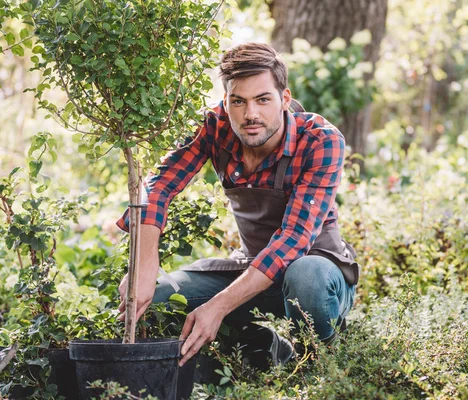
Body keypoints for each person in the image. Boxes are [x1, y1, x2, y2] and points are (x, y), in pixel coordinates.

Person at [115, 42, 359, 368]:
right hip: (251, 268)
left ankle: (324, 359)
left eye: (263, 99)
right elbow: (159, 185)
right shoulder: (215, 125)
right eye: (238, 102)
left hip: (316, 269)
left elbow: (293, 240)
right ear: (226, 103)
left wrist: (217, 306)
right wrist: (144, 265)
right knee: (158, 299)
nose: (251, 114)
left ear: (284, 99)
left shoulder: (320, 140)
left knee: (306, 277)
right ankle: (264, 347)